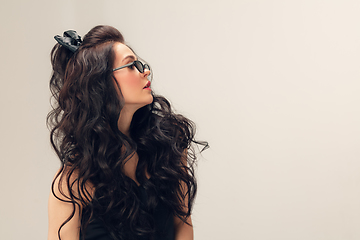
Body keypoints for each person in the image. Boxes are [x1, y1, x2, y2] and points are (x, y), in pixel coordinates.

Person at [47, 25, 207, 240]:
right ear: (99, 82)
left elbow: (183, 227)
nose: (145, 71)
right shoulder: (71, 181)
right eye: (131, 66)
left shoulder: (169, 146)